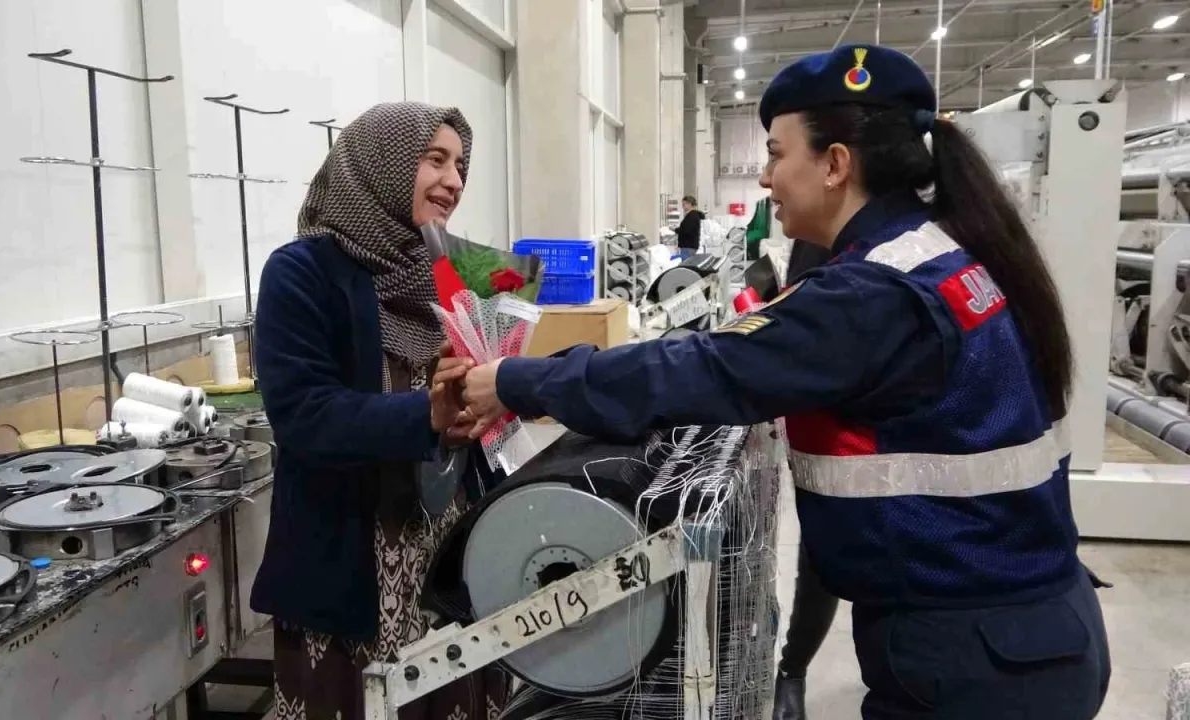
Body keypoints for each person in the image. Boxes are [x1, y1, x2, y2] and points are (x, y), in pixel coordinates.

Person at [445, 46, 1111, 719]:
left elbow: (701, 369)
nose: (766, 178)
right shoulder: (935, 256)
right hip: (1015, 628)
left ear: (835, 164)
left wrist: (516, 380)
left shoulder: (873, 295)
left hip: (977, 656)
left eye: (776, 153)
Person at [251, 101, 507, 720]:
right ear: (382, 164)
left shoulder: (455, 272)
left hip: (443, 556)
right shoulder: (302, 274)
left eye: (461, 165)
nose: (454, 180)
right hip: (352, 565)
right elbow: (304, 414)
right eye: (435, 159)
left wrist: (489, 407)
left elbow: (473, 395)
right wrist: (427, 415)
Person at [773, 237, 838, 720]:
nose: (775, 203)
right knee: (822, 558)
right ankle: (792, 670)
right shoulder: (812, 242)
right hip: (827, 444)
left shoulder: (881, 267)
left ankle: (793, 669)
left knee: (826, 557)